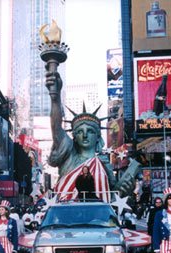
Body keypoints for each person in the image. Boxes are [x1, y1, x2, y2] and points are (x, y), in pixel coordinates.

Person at [45, 69, 140, 200]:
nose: (85, 135)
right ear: (74, 136)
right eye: (79, 132)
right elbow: (56, 127)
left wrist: (126, 189)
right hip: (66, 213)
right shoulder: (69, 157)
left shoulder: (104, 162)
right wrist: (55, 97)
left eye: (90, 131)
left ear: (97, 137)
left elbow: (113, 195)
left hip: (96, 216)